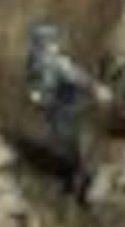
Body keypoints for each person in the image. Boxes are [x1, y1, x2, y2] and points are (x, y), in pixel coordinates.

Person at [25, 21, 111, 200]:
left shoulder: (59, 62)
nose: (49, 47)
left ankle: (83, 183)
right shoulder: (35, 61)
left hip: (67, 107)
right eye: (42, 42)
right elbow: (34, 80)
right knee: (62, 143)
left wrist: (96, 89)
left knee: (71, 144)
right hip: (54, 107)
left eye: (49, 42)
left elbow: (77, 77)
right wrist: (36, 92)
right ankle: (71, 180)